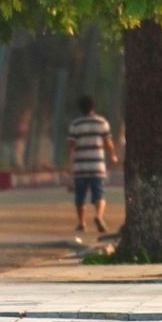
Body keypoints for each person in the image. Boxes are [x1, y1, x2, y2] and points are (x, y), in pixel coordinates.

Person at [67, 95, 118, 233]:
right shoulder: (102, 122)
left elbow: (71, 145)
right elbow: (108, 142)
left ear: (80, 108)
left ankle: (81, 223)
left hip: (80, 167)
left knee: (80, 197)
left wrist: (69, 163)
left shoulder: (75, 124)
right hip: (97, 166)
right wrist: (112, 156)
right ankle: (99, 216)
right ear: (93, 107)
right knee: (99, 195)